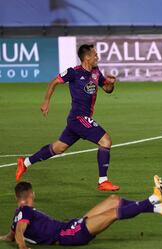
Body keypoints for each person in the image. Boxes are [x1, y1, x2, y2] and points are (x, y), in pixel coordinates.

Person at [15, 44, 121, 191]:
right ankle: (103, 181)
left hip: (77, 120)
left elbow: (107, 89)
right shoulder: (74, 72)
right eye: (95, 55)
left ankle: (24, 163)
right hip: (79, 118)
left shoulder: (96, 72)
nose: (98, 57)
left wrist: (111, 84)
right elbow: (54, 82)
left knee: (58, 148)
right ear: (87, 57)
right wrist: (46, 101)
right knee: (106, 141)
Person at [0, 176, 162, 249]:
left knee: (114, 200)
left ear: (18, 198)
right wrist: (22, 247)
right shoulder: (26, 211)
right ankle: (154, 198)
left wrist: (7, 238)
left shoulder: (18, 214)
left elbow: (12, 234)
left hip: (71, 226)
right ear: (31, 195)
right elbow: (20, 232)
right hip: (70, 235)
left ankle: (160, 208)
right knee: (113, 213)